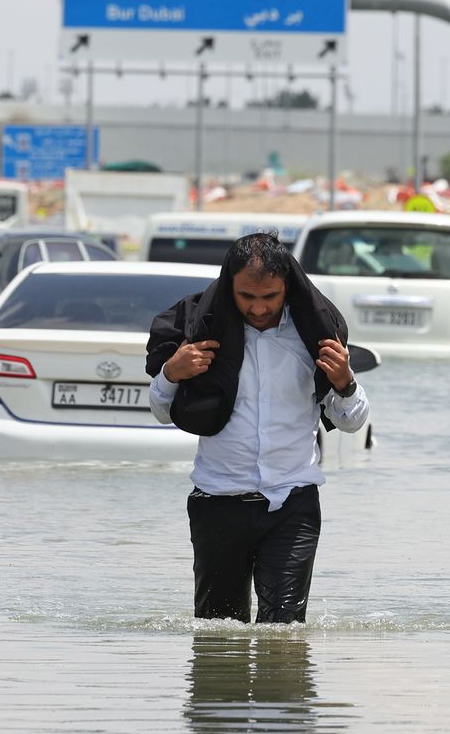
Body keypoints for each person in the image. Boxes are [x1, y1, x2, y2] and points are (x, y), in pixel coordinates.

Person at [147, 231, 369, 623]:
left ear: (288, 288)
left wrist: (345, 383)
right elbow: (163, 412)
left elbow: (350, 422)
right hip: (217, 503)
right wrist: (170, 373)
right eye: (247, 296)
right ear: (229, 285)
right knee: (217, 638)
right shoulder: (202, 335)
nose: (258, 307)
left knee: (283, 637)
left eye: (270, 297)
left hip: (292, 504)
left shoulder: (313, 336)